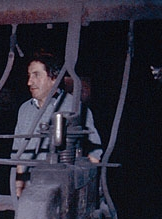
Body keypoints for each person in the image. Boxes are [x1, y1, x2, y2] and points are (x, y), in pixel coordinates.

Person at [11, 51, 103, 197]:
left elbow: (94, 155)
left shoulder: (74, 107)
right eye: (29, 76)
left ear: (53, 78)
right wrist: (18, 190)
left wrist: (85, 193)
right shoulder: (25, 109)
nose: (29, 82)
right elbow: (18, 154)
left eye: (36, 75)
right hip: (31, 191)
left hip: (63, 192)